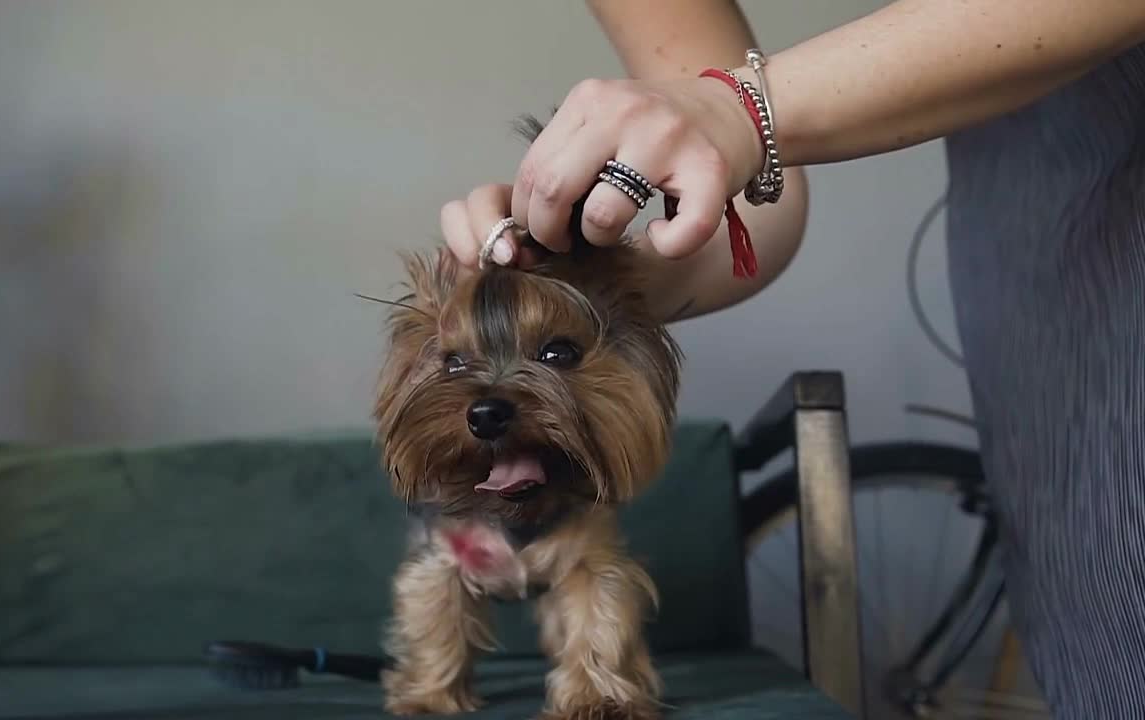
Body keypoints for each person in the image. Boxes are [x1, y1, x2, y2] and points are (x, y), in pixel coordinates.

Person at [438, 1, 1145, 717]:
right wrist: (603, 279)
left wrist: (739, 108)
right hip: (1043, 230)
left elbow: (740, 127)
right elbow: (757, 201)